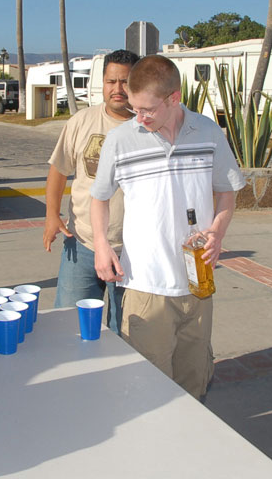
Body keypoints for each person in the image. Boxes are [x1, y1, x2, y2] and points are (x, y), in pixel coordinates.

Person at [90, 55, 246, 398]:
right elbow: (98, 198)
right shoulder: (120, 140)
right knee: (148, 392)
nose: (139, 118)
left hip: (198, 284)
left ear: (173, 98)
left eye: (147, 110)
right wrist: (102, 246)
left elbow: (226, 191)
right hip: (146, 287)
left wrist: (218, 232)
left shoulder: (207, 131)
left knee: (194, 386)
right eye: (134, 109)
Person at [44, 49, 139, 333]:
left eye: (125, 81)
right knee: (71, 329)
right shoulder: (81, 122)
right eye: (111, 81)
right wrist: (51, 215)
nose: (118, 89)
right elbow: (58, 171)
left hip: (133, 252)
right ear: (102, 83)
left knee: (126, 334)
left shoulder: (148, 127)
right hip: (82, 244)